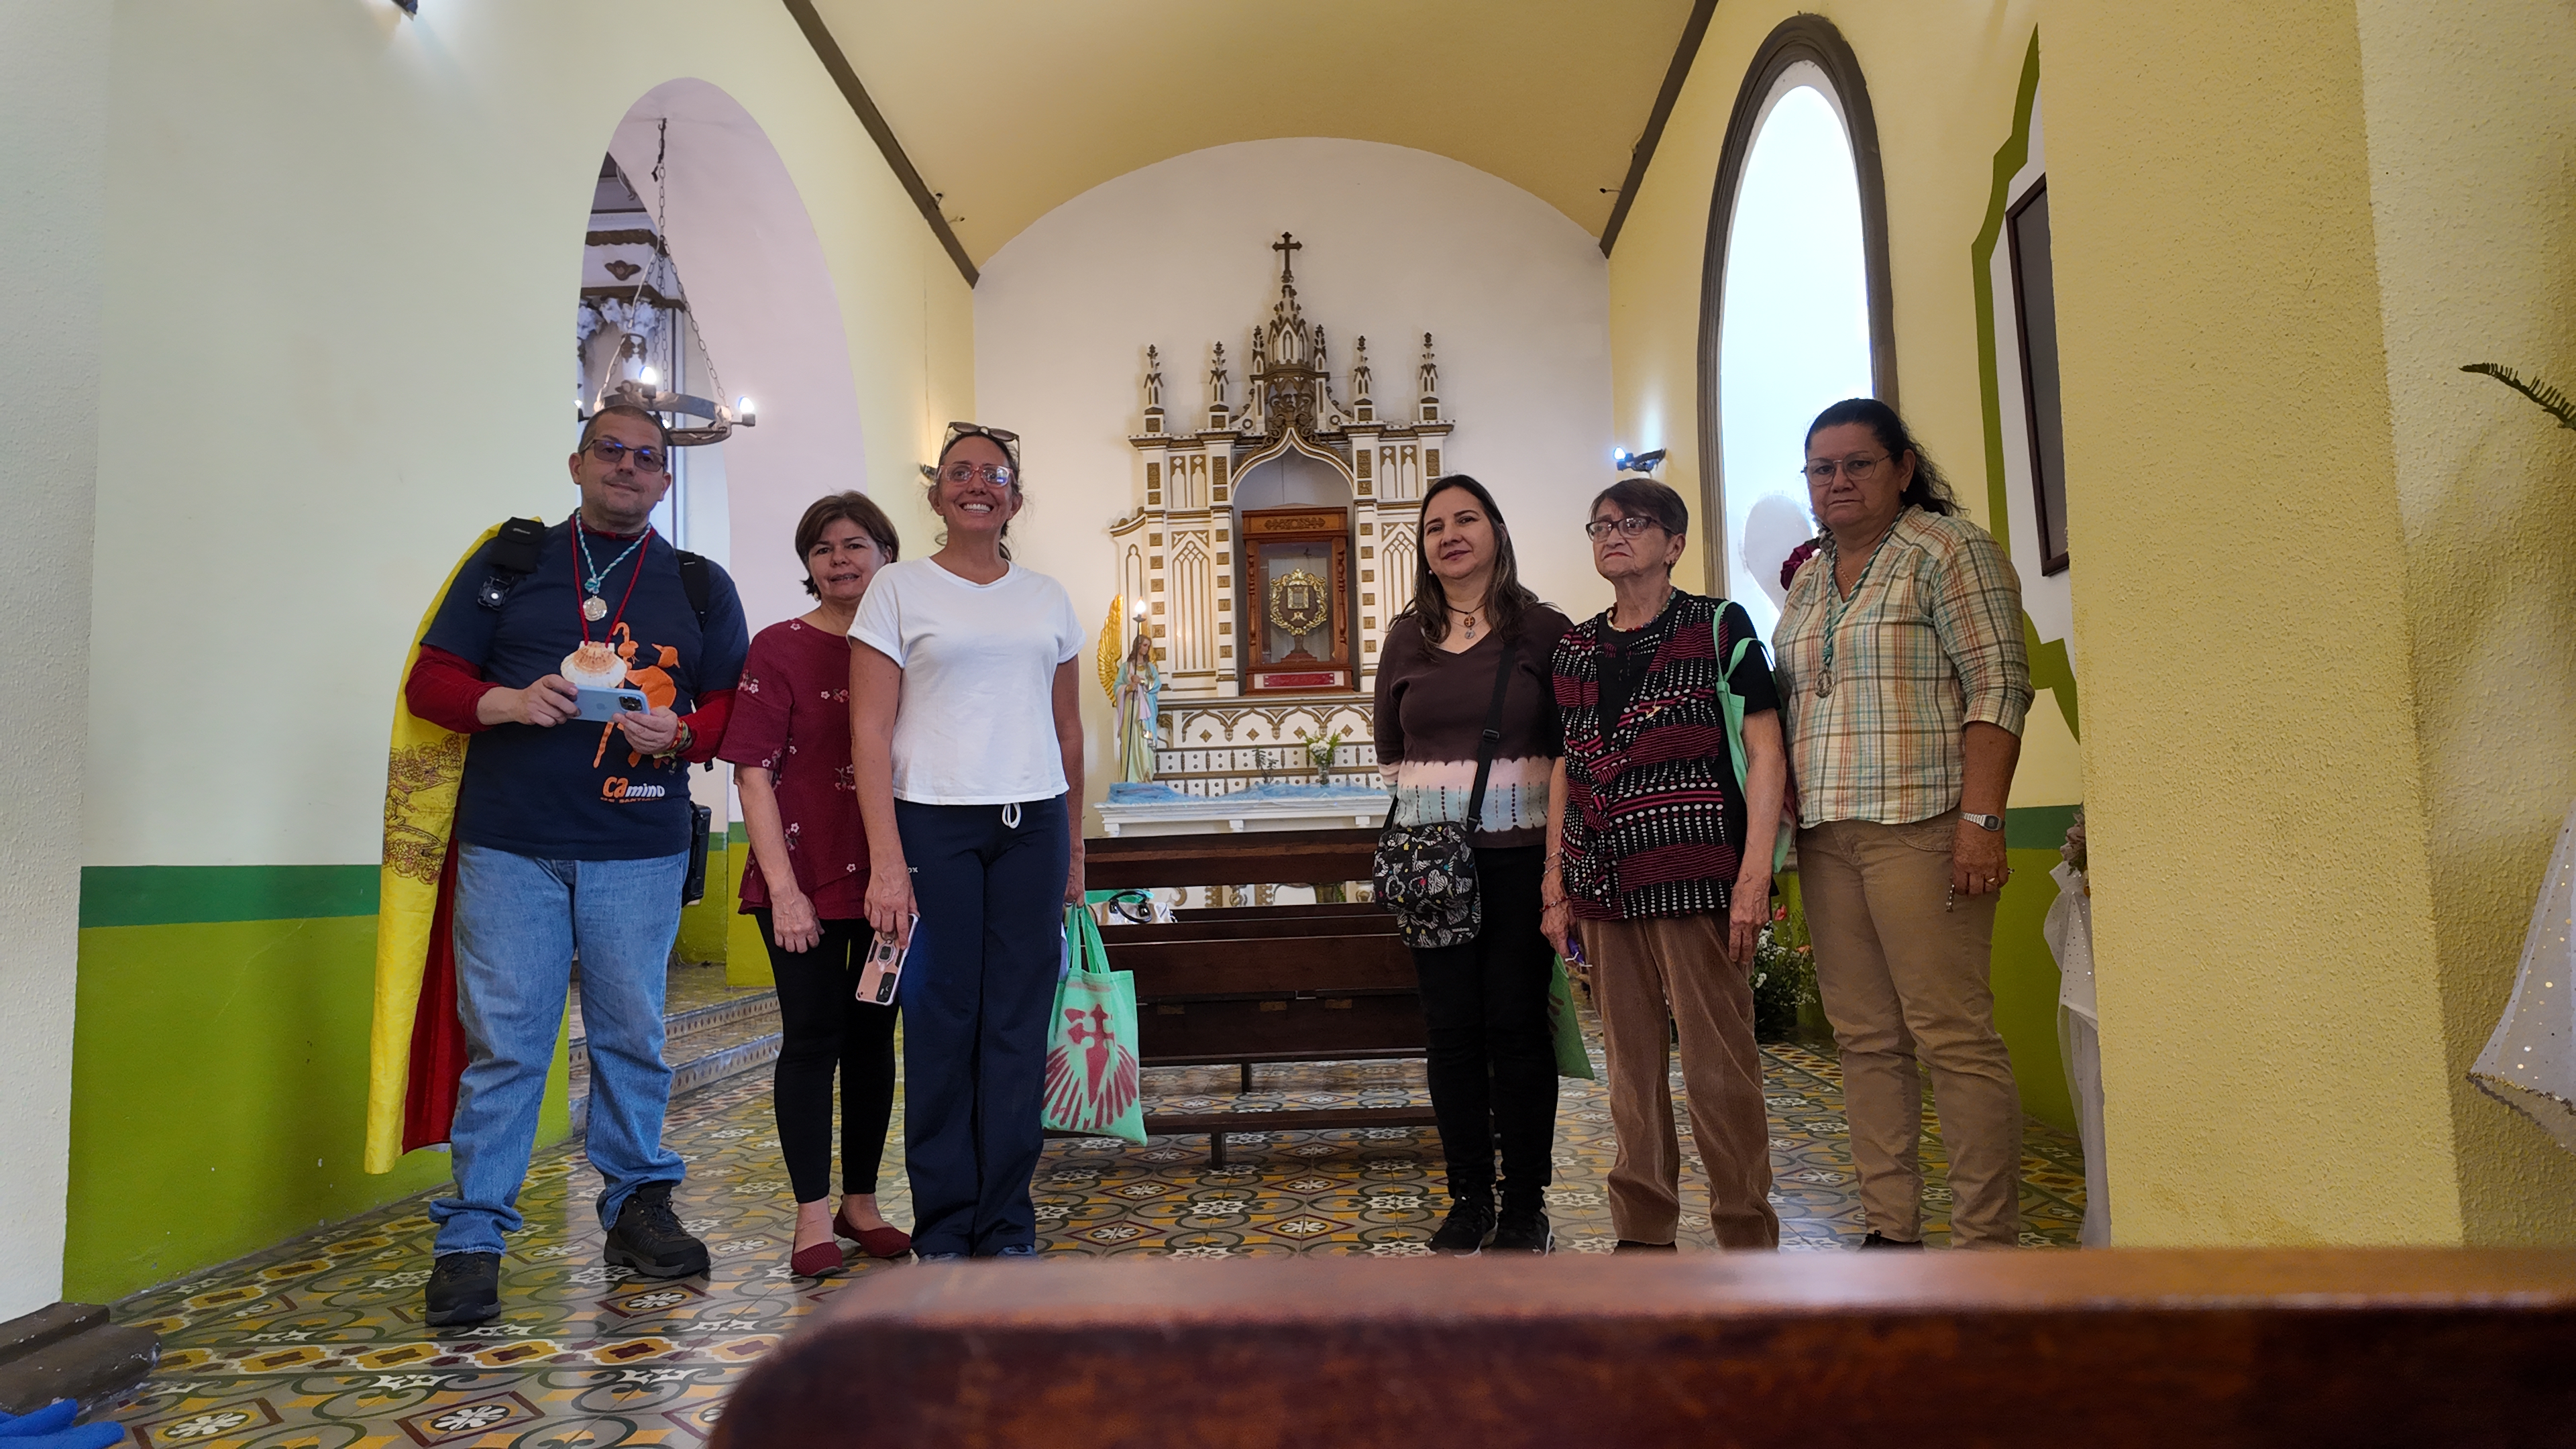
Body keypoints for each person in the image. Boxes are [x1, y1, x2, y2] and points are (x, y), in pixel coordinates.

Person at [401, 403, 749, 1325]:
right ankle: (473, 1237)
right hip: (510, 844)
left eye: (647, 457)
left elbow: (734, 707)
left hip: (638, 845)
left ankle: (638, 1207)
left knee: (633, 1035)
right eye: (611, 450)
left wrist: (682, 732)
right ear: (577, 463)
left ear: (665, 480)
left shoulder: (698, 583)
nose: (628, 466)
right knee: (508, 1044)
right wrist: (509, 702)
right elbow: (431, 681)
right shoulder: (510, 561)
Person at [1772, 397, 2033, 1249]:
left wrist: (1982, 820)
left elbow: (1999, 683)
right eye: (1822, 468)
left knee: (1952, 1038)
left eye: (1858, 463)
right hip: (1828, 836)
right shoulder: (1810, 578)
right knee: (1864, 1041)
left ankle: (1986, 1245)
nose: (1837, 481)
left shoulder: (1947, 551)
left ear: (1903, 468)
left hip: (1923, 825)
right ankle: (1891, 1233)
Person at [851, 422, 1085, 1261]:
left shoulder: (1047, 598)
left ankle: (1007, 1222)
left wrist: (1075, 851)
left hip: (1034, 825)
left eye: (995, 474)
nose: (977, 483)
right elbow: (869, 731)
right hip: (933, 822)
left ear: (1015, 498)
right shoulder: (897, 590)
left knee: (1017, 1028)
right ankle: (948, 1224)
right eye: (960, 472)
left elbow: (1068, 732)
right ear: (937, 493)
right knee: (943, 1023)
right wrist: (887, 863)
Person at [1544, 477, 1786, 1253]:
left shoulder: (1718, 626)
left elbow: (1765, 750)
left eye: (1633, 523)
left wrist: (1754, 878)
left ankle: (1745, 1234)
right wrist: (1554, 881)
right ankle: (1643, 1234)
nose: (1613, 535)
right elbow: (1566, 766)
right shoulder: (1574, 649)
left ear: (1675, 544)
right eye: (1601, 525)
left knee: (1720, 1067)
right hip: (1603, 884)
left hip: (1696, 876)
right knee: (1631, 1073)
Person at [1374, 474, 1572, 1254]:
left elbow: (1568, 748)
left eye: (1466, 520)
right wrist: (1442, 813)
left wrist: (1555, 864)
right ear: (1424, 550)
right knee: (1451, 1032)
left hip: (1522, 857)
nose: (1450, 535)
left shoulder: (1544, 630)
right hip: (1432, 867)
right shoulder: (1406, 638)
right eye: (1435, 527)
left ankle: (1524, 1205)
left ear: (1496, 531)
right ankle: (1468, 1199)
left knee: (1517, 1030)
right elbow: (1391, 750)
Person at [719, 492, 913, 1278]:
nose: (840, 559)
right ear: (808, 563)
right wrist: (785, 890)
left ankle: (859, 1204)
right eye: (823, 547)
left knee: (872, 1041)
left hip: (890, 883)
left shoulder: (909, 646)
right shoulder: (779, 647)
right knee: (810, 1041)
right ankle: (810, 1216)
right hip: (801, 879)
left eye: (856, 544)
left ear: (886, 555)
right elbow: (752, 775)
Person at [1113, 627, 1161, 784]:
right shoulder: (1126, 667)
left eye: (1148, 646)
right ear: (1138, 646)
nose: (1146, 649)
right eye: (1144, 645)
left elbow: (1157, 685)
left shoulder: (1150, 668)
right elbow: (1116, 687)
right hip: (1131, 709)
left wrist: (1142, 681)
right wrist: (1128, 688)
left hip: (1146, 711)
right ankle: (1131, 778)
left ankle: (1145, 777)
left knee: (1144, 744)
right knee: (1132, 741)